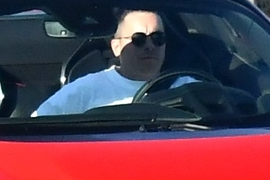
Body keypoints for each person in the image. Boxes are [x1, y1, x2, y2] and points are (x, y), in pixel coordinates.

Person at [33, 9, 182, 116]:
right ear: (116, 47)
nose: (150, 46)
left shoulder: (189, 88)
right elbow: (38, 125)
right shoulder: (86, 90)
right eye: (138, 39)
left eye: (158, 38)